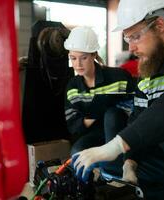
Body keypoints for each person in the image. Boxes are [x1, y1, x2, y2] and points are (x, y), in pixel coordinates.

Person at [71, 0, 164, 200]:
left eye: (135, 36)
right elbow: (139, 117)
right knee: (99, 167)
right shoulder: (149, 70)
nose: (131, 47)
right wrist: (129, 162)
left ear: (159, 25)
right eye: (127, 38)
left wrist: (115, 146)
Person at [64, 26, 135, 176]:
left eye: (83, 58)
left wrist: (107, 108)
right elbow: (74, 126)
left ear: (94, 55)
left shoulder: (119, 77)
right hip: (94, 135)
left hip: (121, 132)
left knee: (112, 114)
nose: (78, 64)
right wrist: (100, 107)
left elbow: (137, 107)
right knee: (76, 154)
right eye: (73, 58)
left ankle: (115, 176)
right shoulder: (73, 87)